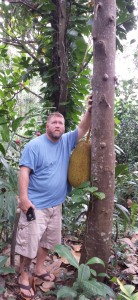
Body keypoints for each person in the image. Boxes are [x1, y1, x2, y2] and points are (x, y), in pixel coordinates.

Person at [15, 96, 92, 299]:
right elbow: (24, 172)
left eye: (61, 123)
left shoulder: (66, 141)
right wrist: (24, 199)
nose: (58, 126)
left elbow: (83, 128)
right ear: (47, 125)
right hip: (35, 205)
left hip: (56, 205)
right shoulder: (34, 145)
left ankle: (39, 269)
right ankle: (24, 276)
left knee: (49, 242)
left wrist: (90, 109)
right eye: (54, 122)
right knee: (29, 244)